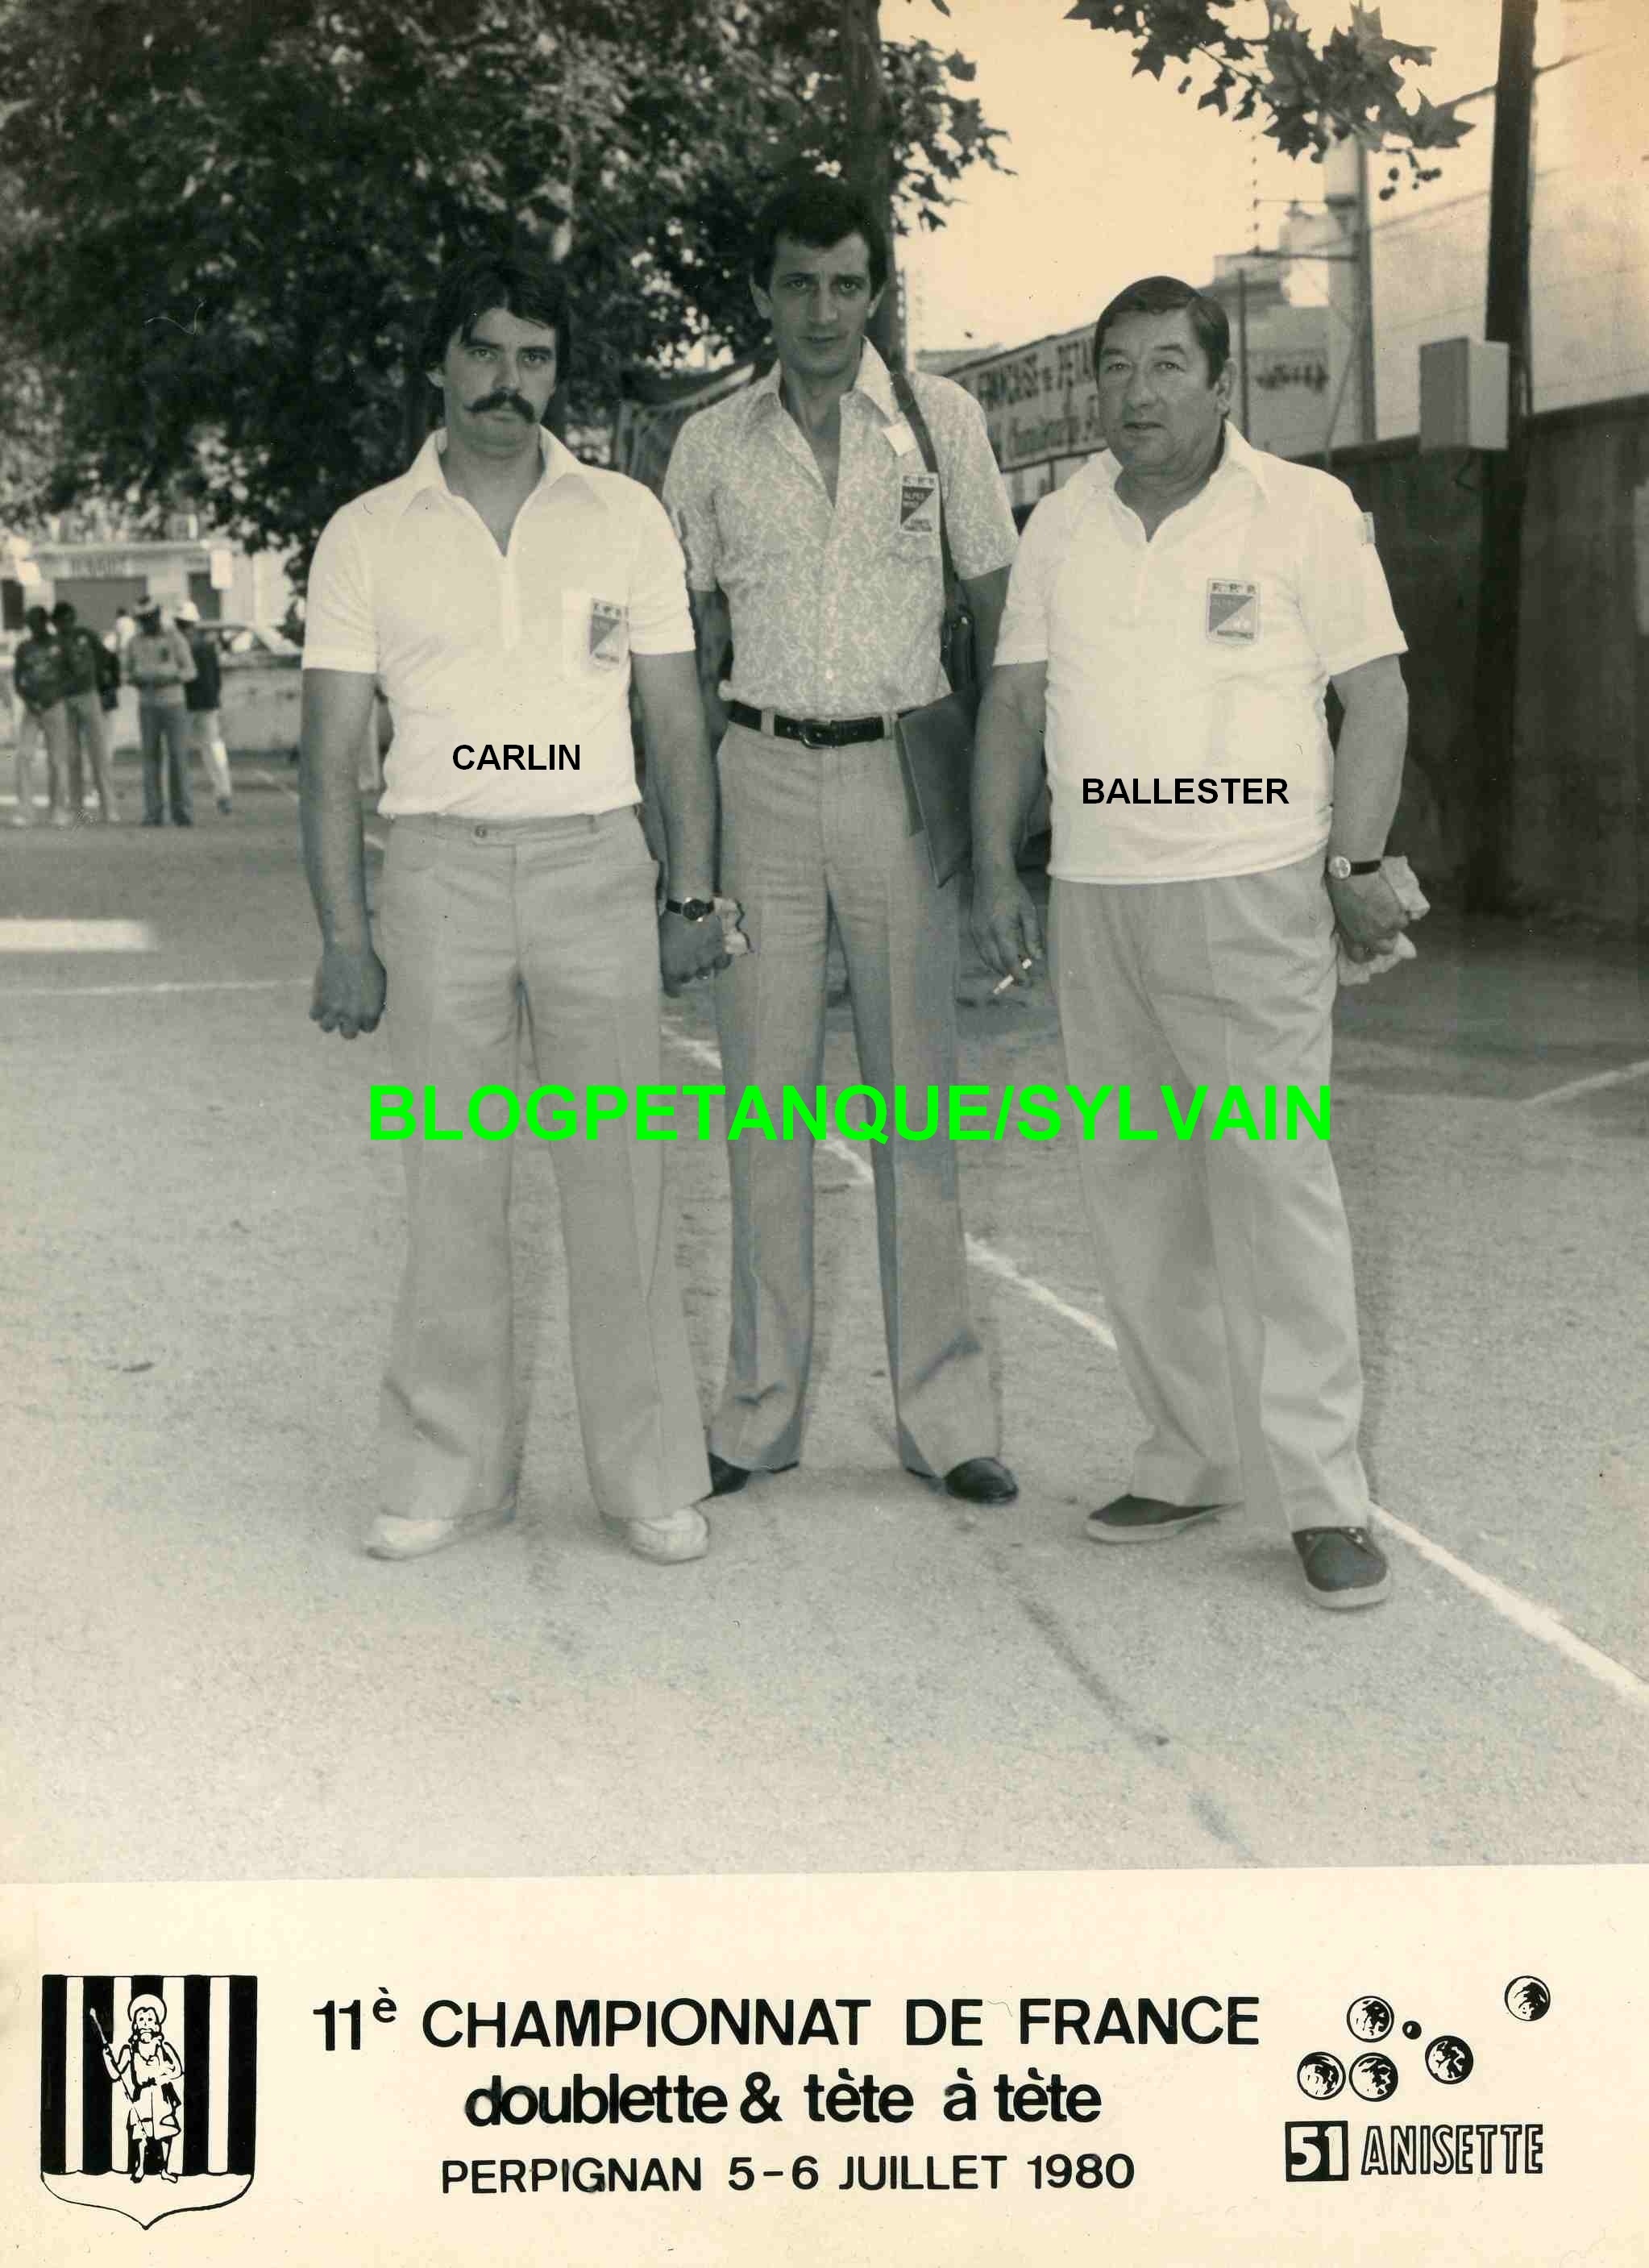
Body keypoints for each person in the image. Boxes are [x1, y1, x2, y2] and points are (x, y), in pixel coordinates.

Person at [971, 274, 1411, 1610]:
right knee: (1136, 1187)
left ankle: (1324, 1497)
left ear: (1222, 385)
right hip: (1097, 895)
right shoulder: (1061, 524)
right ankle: (1188, 1453)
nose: (1137, 391)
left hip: (1251, 894)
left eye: (1167, 365)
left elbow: (1377, 695)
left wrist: (1353, 862)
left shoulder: (1304, 511)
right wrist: (994, 867)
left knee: (1274, 1185)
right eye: (1116, 367)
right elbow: (1014, 705)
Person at [301, 247, 729, 1566]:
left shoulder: (625, 517)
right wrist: (346, 936)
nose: (507, 380)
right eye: (483, 351)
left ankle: (649, 1477)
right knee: (451, 1182)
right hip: (438, 876)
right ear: (440, 363)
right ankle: (444, 1474)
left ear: (557, 374)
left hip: (596, 867)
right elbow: (330, 753)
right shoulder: (367, 532)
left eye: (533, 357)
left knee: (622, 1188)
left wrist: (690, 894)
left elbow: (675, 724)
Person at [663, 175, 1020, 1509]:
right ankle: (757, 1415)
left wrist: (999, 828)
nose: (822, 310)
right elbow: (680, 654)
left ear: (876, 291)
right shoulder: (707, 444)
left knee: (916, 1106)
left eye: (846, 284)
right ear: (762, 293)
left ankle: (945, 1418)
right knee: (763, 1108)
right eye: (798, 283)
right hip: (756, 774)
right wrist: (681, 853)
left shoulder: (941, 425)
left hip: (896, 774)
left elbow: (1002, 621)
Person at [99, 1994, 185, 2184]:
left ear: (157, 2025)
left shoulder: (163, 2047)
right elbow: (115, 2075)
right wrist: (107, 2057)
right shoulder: (129, 2049)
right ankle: (140, 2168)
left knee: (165, 2132)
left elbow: (178, 2070)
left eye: (150, 2019)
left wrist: (163, 2074)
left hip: (161, 2095)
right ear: (135, 2025)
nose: (145, 2023)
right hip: (142, 2096)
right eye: (141, 2019)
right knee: (141, 2132)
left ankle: (165, 2170)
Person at [126, 600, 197, 825]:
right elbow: (125, 671)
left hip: (173, 703)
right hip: (147, 704)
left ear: (157, 615)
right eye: (142, 620)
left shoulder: (175, 638)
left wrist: (172, 678)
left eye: (149, 619)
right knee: (150, 758)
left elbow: (190, 670)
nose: (146, 624)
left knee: (178, 756)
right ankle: (153, 812)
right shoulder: (134, 642)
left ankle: (182, 811)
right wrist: (135, 679)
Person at [50, 600, 121, 821]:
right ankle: (78, 809)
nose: (66, 625)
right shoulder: (54, 643)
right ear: (55, 622)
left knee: (99, 753)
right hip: (65, 699)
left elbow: (107, 659)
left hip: (88, 695)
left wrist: (105, 684)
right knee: (72, 756)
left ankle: (109, 808)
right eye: (61, 622)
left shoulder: (86, 636)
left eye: (69, 620)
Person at [11, 607, 74, 825]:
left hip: (55, 706)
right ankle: (25, 811)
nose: (32, 628)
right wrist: (29, 701)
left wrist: (55, 695)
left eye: (35, 623)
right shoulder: (24, 648)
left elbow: (72, 675)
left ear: (44, 622)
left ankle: (58, 810)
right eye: (29, 624)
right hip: (32, 708)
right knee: (24, 756)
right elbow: (18, 680)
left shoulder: (60, 644)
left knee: (57, 759)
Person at [174, 601, 234, 813]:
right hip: (208, 702)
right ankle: (224, 793)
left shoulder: (180, 646)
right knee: (213, 749)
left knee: (177, 750)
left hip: (186, 703)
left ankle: (179, 796)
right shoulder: (207, 646)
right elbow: (217, 678)